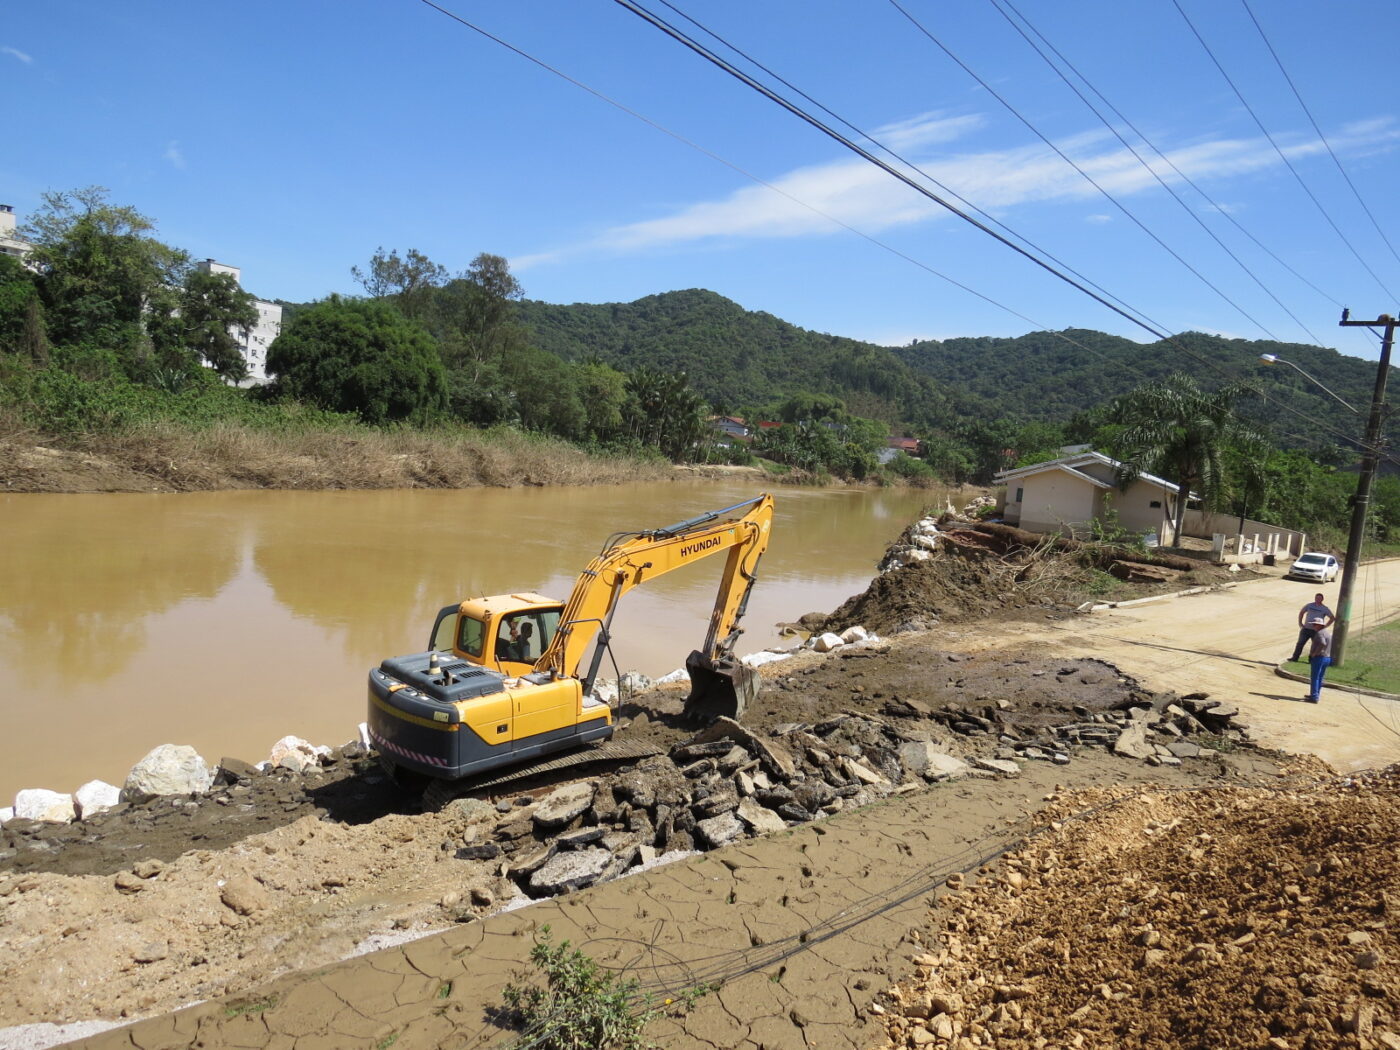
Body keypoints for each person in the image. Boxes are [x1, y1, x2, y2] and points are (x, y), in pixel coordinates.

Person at [1290, 593, 1334, 662]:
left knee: (1315, 645)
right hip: (1306, 629)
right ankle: (1295, 658)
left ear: (1322, 599)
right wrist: (1300, 622)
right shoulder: (1309, 605)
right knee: (1300, 643)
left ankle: (1311, 659)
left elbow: (1332, 618)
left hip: (1316, 631)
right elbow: (1301, 612)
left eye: (1319, 598)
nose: (1317, 599)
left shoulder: (1324, 609)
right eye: (1316, 598)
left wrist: (1325, 626)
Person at [1304, 620, 1333, 703]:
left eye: (1315, 624)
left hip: (1319, 658)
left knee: (1315, 678)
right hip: (1327, 657)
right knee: (1320, 677)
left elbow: (1322, 643)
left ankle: (1314, 697)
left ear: (1319, 625)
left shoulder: (1320, 633)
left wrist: (1314, 653)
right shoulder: (1327, 633)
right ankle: (1316, 694)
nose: (1313, 626)